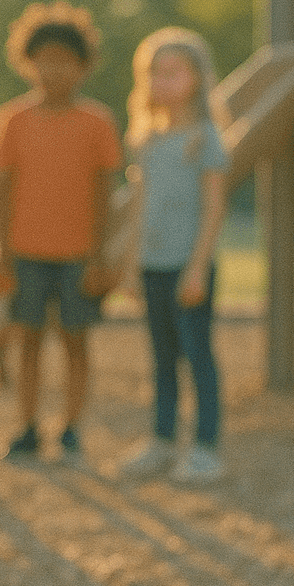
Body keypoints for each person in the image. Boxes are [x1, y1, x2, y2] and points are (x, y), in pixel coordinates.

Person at [0, 1, 121, 464]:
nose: (53, 70)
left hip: (79, 256)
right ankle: (26, 427)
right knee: (27, 341)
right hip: (25, 252)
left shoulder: (98, 123)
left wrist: (101, 255)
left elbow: (106, 194)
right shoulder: (13, 121)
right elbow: (1, 192)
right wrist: (2, 252)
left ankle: (71, 428)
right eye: (44, 60)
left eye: (64, 61)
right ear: (28, 63)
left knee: (75, 342)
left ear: (83, 66)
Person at [118, 27, 228, 485]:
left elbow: (213, 209)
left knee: (196, 355)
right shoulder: (148, 142)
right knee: (161, 357)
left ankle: (205, 447)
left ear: (197, 79)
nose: (163, 82)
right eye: (154, 73)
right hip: (152, 267)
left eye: (173, 73)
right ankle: (163, 441)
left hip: (190, 268)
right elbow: (141, 209)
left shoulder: (205, 140)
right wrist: (129, 264)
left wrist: (198, 266)